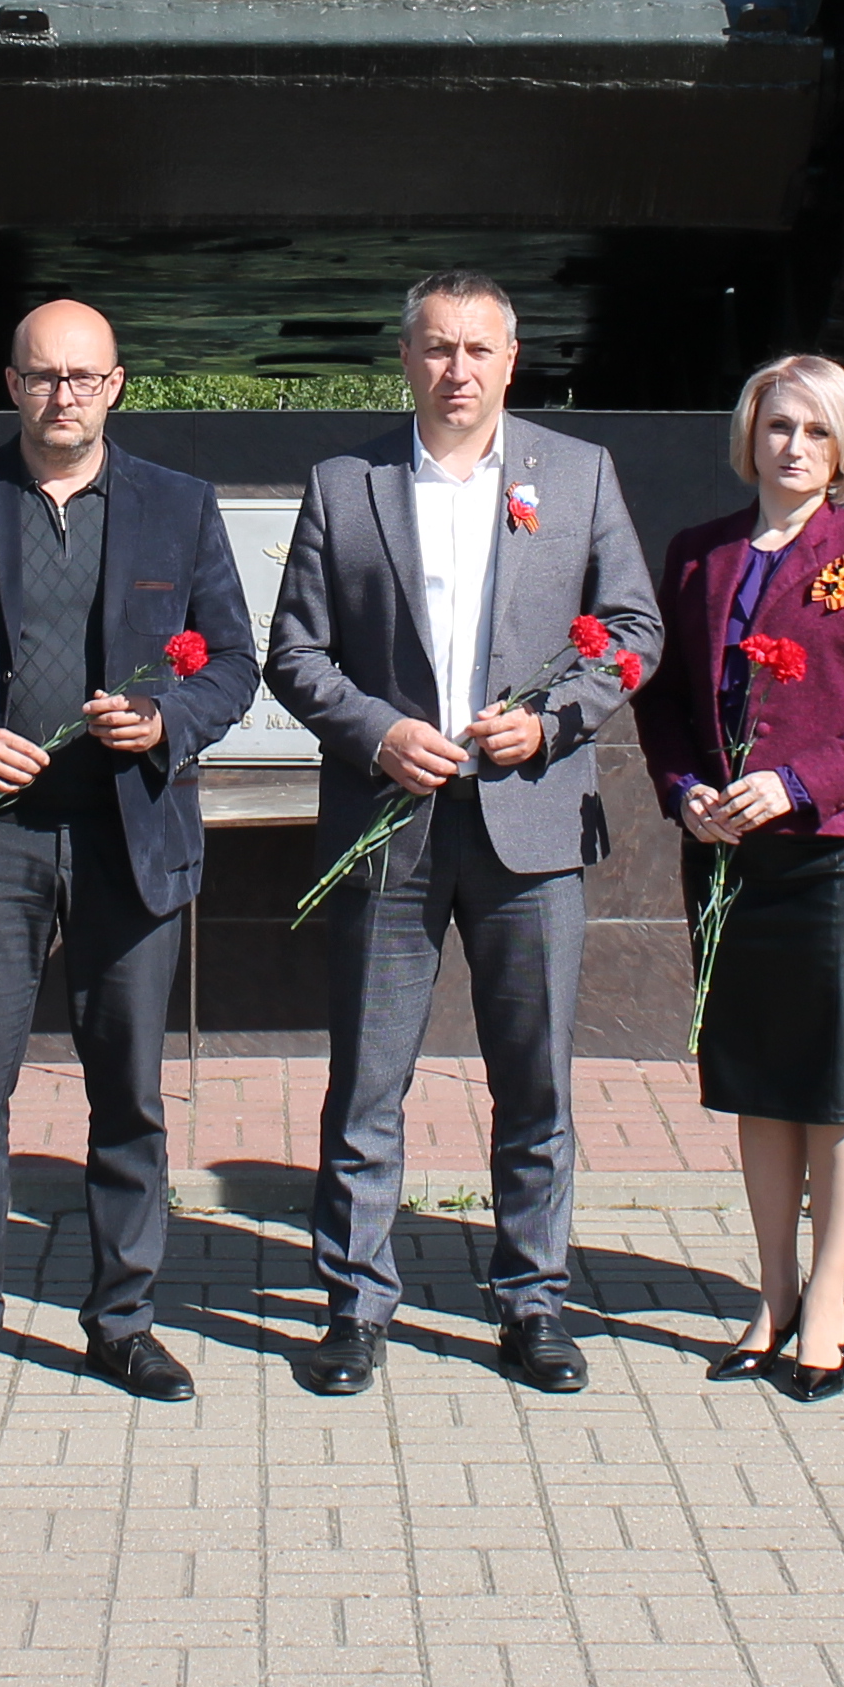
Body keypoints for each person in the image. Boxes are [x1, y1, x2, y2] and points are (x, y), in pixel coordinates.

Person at [0, 298, 261, 1411]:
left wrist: (167, 722)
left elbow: (232, 658)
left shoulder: (178, 507)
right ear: (11, 382)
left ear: (117, 385)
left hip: (126, 838)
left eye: (85, 377)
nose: (64, 395)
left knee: (128, 1093)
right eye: (44, 376)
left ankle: (123, 1323)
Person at [265, 271, 660, 1397]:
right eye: (438, 348)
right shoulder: (346, 486)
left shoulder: (576, 476)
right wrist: (378, 731)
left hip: (529, 829)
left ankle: (533, 1301)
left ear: (511, 359)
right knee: (367, 1080)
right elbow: (296, 653)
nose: (458, 369)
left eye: (478, 349)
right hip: (391, 823)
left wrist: (552, 721)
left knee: (534, 1084)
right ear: (406, 358)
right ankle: (353, 1304)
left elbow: (634, 632)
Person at [627, 353, 844, 1403]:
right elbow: (663, 699)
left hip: (836, 853)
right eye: (777, 426)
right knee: (758, 1080)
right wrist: (681, 788)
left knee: (836, 1082)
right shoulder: (696, 554)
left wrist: (795, 785)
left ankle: (831, 1299)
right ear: (749, 436)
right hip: (724, 852)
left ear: (843, 446)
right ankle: (770, 1297)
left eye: (814, 430)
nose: (793, 447)